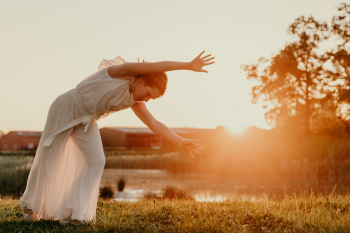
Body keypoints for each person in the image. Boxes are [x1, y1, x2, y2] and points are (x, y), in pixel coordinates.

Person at [18, 51, 215, 223]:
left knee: (96, 161)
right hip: (67, 107)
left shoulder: (135, 101)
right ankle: (28, 205)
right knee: (50, 159)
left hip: (87, 119)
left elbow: (155, 124)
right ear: (141, 79)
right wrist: (188, 66)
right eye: (147, 93)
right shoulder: (121, 73)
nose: (146, 99)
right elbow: (154, 66)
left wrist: (180, 141)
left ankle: (75, 214)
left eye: (151, 98)